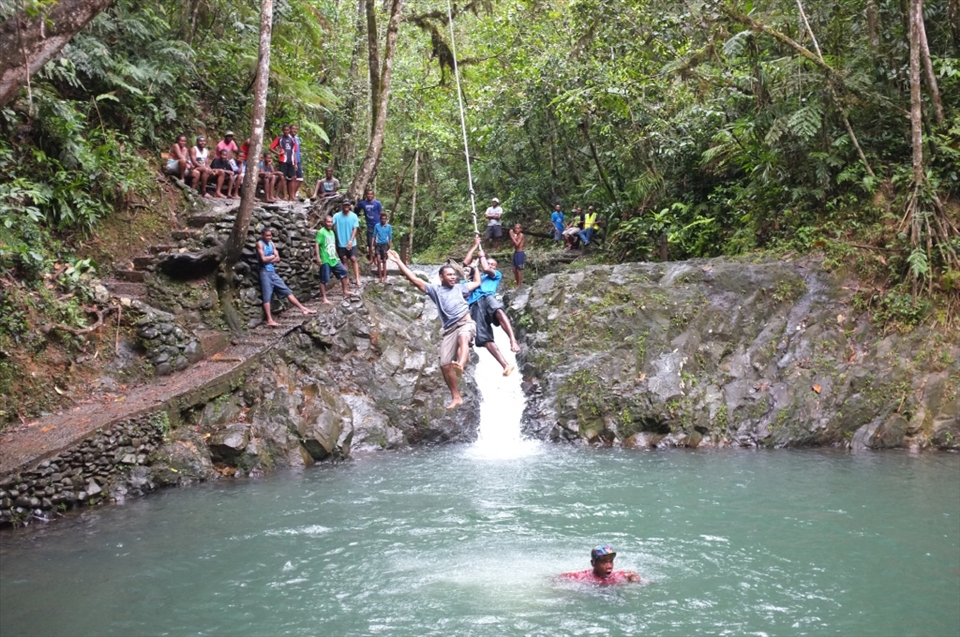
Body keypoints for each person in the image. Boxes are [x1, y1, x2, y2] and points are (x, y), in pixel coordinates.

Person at [386, 248, 481, 410]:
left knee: (463, 338)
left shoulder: (461, 287)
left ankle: (460, 364)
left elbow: (477, 282)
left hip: (465, 323)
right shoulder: (435, 290)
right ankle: (456, 397)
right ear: (441, 277)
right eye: (449, 275)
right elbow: (414, 279)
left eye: (454, 275)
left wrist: (475, 267)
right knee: (444, 364)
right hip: (449, 329)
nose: (453, 277)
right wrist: (398, 261)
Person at [463, 236, 521, 376]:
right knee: (484, 338)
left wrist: (482, 257)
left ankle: (512, 339)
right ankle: (505, 365)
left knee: (499, 311)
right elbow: (465, 263)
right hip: (474, 305)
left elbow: (485, 268)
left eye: (493, 265)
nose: (490, 266)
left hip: (488, 297)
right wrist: (475, 245)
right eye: (489, 263)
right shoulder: (473, 279)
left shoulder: (495, 275)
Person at [256, 227, 316, 326]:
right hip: (264, 272)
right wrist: (273, 257)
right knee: (267, 296)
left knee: (287, 291)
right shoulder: (260, 244)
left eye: (270, 235)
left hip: (272, 272)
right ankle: (269, 320)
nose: (269, 237)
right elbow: (263, 259)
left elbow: (278, 258)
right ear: (262, 235)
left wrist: (270, 258)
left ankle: (303, 309)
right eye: (267, 236)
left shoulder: (271, 244)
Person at [559, 545, 641, 585]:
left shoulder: (620, 576)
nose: (609, 566)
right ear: (593, 563)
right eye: (604, 562)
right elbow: (558, 578)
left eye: (611, 561)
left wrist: (636, 580)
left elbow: (645, 583)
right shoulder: (580, 577)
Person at [314, 215, 350, 303]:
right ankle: (324, 298)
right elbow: (317, 244)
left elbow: (333, 245)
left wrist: (337, 257)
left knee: (344, 272)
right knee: (324, 279)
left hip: (333, 258)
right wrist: (318, 257)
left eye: (331, 222)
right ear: (324, 222)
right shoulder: (321, 232)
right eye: (328, 222)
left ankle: (345, 291)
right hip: (325, 259)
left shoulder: (332, 232)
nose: (330, 224)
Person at [332, 199, 361, 287]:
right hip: (341, 242)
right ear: (342, 206)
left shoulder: (354, 216)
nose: (346, 207)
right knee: (344, 259)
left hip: (352, 242)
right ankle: (346, 278)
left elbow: (355, 229)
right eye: (345, 205)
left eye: (348, 205)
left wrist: (351, 241)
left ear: (350, 206)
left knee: (353, 258)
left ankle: (357, 279)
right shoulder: (337, 216)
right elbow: (330, 224)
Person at [355, 189, 384, 263]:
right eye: (368, 194)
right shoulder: (363, 203)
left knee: (378, 243)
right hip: (369, 226)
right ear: (366, 195)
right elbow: (356, 208)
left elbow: (381, 213)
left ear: (373, 195)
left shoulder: (377, 203)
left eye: (371, 194)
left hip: (378, 225)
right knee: (370, 243)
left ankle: (378, 258)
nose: (369, 195)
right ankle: (371, 259)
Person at [372, 212, 393, 283]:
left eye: (384, 219)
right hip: (378, 244)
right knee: (378, 260)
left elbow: (390, 237)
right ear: (380, 219)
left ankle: (384, 276)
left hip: (385, 245)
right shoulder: (377, 226)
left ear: (386, 219)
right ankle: (380, 277)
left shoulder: (389, 227)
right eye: (382, 219)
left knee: (384, 260)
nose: (383, 220)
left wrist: (390, 248)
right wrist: (372, 246)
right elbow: (374, 236)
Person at [509, 222, 525, 289]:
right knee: (514, 269)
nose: (516, 230)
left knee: (519, 269)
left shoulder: (521, 235)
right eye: (515, 228)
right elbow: (512, 245)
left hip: (520, 254)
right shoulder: (515, 236)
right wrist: (513, 237)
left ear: (521, 229)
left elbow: (517, 244)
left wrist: (512, 236)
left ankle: (519, 285)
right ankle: (517, 283)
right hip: (516, 253)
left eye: (518, 228)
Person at [290, 124, 304, 200]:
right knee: (293, 178)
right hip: (291, 160)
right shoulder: (289, 139)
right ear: (290, 129)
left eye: (296, 129)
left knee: (300, 178)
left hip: (298, 160)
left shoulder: (297, 139)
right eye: (293, 129)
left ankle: (293, 194)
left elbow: (297, 150)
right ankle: (291, 196)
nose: (294, 130)